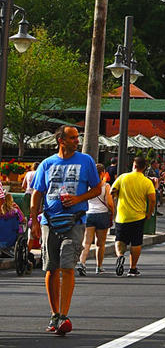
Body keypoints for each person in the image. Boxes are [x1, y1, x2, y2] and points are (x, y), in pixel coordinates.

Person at [30, 124, 101, 337]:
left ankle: (63, 315)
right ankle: (54, 314)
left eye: (77, 138)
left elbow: (97, 188)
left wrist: (78, 199)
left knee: (68, 266)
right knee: (51, 268)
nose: (77, 141)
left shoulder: (86, 161)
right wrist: (34, 221)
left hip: (75, 221)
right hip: (49, 222)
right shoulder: (47, 163)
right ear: (61, 140)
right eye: (72, 138)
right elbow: (37, 192)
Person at [111, 156, 156, 277]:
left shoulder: (123, 177)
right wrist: (149, 213)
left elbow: (112, 191)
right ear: (144, 168)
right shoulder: (147, 182)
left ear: (134, 165)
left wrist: (117, 199)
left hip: (122, 216)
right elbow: (152, 199)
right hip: (138, 216)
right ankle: (132, 268)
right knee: (136, 243)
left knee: (120, 240)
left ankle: (120, 256)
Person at [77, 163, 114, 275]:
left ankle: (82, 263)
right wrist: (113, 212)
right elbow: (109, 202)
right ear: (102, 173)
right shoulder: (105, 186)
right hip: (102, 215)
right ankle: (99, 266)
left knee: (87, 242)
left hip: (89, 214)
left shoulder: (87, 185)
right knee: (100, 243)